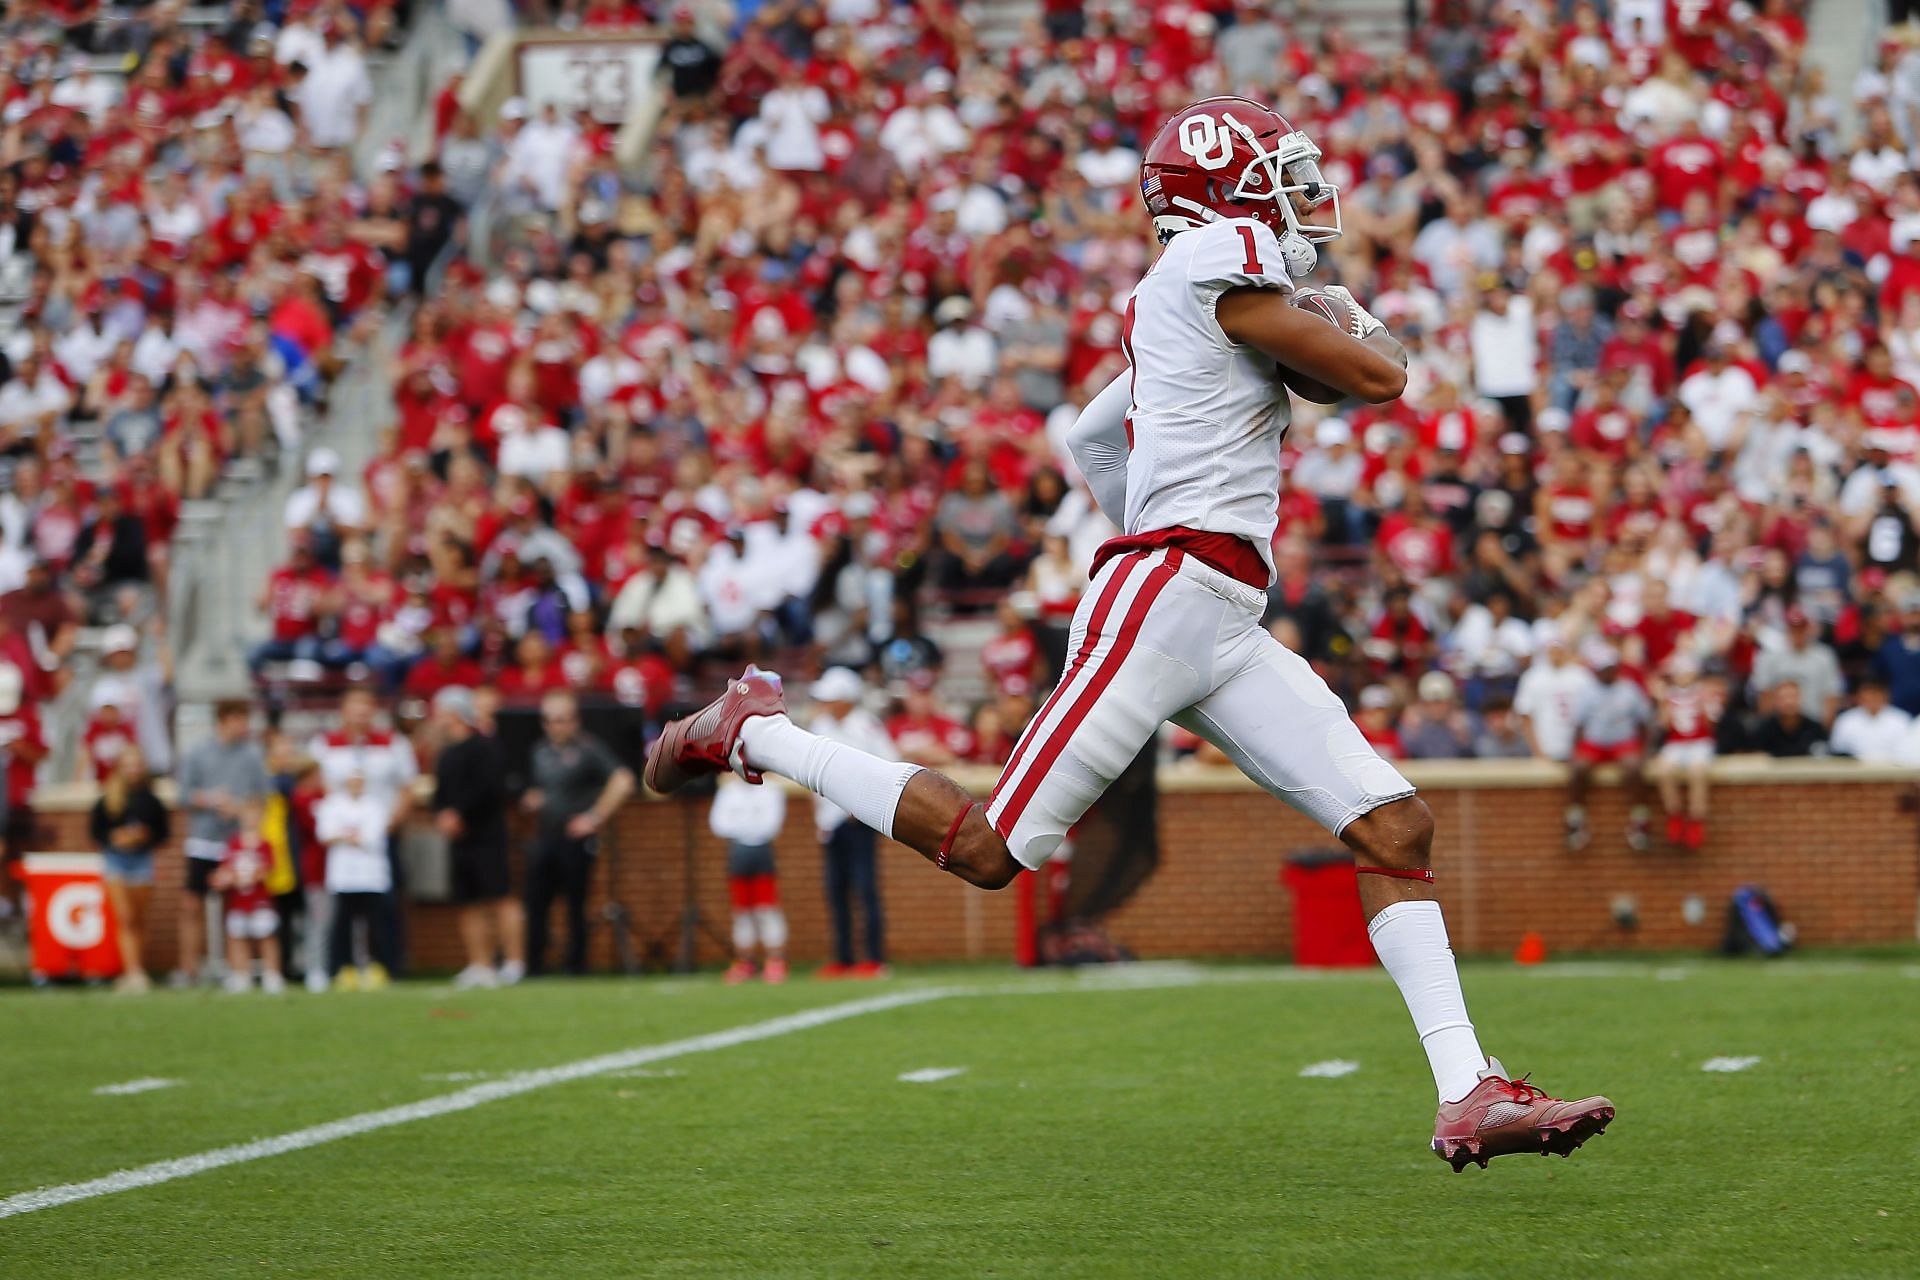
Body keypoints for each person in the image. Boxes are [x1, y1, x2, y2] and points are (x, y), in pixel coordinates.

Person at [648, 97, 1613, 1169]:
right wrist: (1343, 318)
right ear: (1222, 191)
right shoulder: (1220, 254)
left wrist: (1154, 531)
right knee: (990, 851)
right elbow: (1379, 377)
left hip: (1215, 605)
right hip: (1174, 590)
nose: (1298, 194)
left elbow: (1090, 433)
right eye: (1276, 172)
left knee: (1394, 827)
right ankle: (753, 733)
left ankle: (1467, 1088)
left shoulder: (1187, 300)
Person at [523, 690, 634, 976]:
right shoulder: (540, 751)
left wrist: (594, 817)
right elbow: (544, 789)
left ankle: (576, 965)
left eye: (562, 719)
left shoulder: (588, 748)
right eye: (550, 720)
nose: (556, 726)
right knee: (537, 902)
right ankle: (535, 964)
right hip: (546, 835)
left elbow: (623, 780)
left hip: (575, 839)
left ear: (574, 720)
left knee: (576, 904)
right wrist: (535, 799)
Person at [793, 667, 894, 978]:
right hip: (828, 820)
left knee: (865, 888)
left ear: (846, 700)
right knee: (835, 890)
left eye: (831, 698)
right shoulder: (819, 726)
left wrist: (863, 805)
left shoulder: (866, 728)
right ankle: (844, 957)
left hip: (858, 820)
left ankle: (874, 958)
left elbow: (890, 765)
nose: (824, 704)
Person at [431, 686, 525, 988]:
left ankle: (514, 962)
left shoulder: (485, 746)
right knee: (468, 901)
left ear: (455, 713)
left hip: (487, 833)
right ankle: (480, 964)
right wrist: (443, 814)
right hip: (459, 838)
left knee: (500, 896)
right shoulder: (446, 754)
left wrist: (460, 814)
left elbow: (490, 789)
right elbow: (440, 794)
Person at [173, 700, 270, 986]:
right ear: (223, 720)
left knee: (237, 908)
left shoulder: (252, 756)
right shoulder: (198, 753)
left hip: (237, 842)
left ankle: (236, 970)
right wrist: (208, 799)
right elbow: (183, 795)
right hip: (203, 840)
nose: (244, 727)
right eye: (238, 720)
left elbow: (262, 799)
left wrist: (238, 809)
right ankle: (188, 968)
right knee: (192, 905)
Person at [90, 746, 168, 992]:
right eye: (128, 765)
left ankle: (137, 968)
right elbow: (96, 831)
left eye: (137, 765)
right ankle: (132, 971)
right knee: (124, 918)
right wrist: (116, 838)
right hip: (116, 860)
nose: (133, 770)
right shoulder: (107, 799)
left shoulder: (151, 800)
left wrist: (144, 837)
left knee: (138, 918)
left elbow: (163, 833)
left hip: (142, 860)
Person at [1566, 651, 1656, 852]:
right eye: (1602, 670)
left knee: (1634, 768)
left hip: (1623, 741)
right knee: (1579, 768)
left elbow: (1644, 722)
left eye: (1609, 669)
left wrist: (1646, 751)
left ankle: (1640, 820)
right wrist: (1573, 752)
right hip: (1594, 743)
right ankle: (1575, 818)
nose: (1606, 673)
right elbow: (1578, 726)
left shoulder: (1629, 689)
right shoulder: (1586, 691)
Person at [315, 767, 395, 990]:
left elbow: (373, 835)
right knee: (342, 925)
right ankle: (344, 968)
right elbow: (325, 834)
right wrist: (349, 836)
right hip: (343, 876)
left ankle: (377, 967)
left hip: (372, 875)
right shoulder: (332, 804)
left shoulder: (375, 805)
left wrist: (344, 835)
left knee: (375, 924)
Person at [708, 774, 790, 984]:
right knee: (742, 911)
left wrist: (743, 826)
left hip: (762, 852)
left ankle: (775, 960)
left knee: (766, 909)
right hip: (738, 853)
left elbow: (770, 825)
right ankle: (745, 962)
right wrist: (748, 827)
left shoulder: (771, 790)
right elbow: (719, 824)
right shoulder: (729, 791)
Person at [213, 802, 285, 994]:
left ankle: (272, 975)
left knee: (266, 937)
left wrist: (246, 877)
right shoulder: (233, 843)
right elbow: (225, 868)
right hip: (238, 900)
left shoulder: (265, 844)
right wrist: (225, 879)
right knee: (237, 937)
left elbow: (267, 869)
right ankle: (241, 974)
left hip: (259, 899)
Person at [1652, 655, 1718, 850]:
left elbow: (1712, 724)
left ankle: (1697, 818)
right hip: (1676, 743)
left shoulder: (1704, 693)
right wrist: (1663, 704)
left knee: (1697, 772)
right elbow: (1663, 725)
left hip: (1699, 742)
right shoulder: (1669, 696)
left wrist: (1706, 705)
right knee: (1663, 771)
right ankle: (1674, 813)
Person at [1829, 675, 1913, 763]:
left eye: (1876, 692)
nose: (1872, 697)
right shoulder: (1845, 720)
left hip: (1894, 771)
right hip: (1854, 772)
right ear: (1858, 695)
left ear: (1886, 695)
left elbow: (1907, 753)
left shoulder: (1902, 720)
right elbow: (1837, 752)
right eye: (1868, 692)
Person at [1753, 681, 1828, 758]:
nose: (1789, 702)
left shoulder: (1815, 729)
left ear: (1801, 698)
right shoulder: (1764, 730)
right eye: (1783, 698)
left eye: (1793, 697)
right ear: (1775, 701)